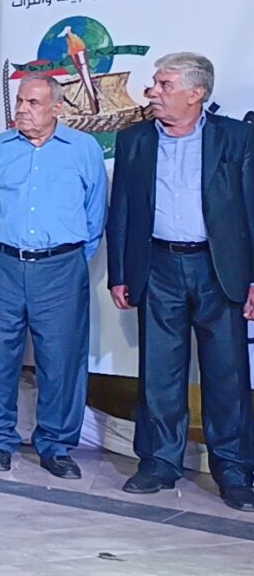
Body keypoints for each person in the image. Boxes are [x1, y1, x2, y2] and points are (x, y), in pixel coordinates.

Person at [108, 53, 254, 511]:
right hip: (157, 266)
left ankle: (234, 469)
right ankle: (159, 462)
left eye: (164, 84)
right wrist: (119, 273)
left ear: (196, 93)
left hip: (219, 269)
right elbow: (122, 209)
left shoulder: (237, 138)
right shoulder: (134, 140)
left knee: (228, 374)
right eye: (155, 83)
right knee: (159, 372)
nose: (153, 91)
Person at [0, 76, 107, 479]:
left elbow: (95, 214)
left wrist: (65, 258)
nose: (22, 109)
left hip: (60, 268)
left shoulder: (84, 150)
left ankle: (56, 446)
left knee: (61, 360)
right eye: (20, 100)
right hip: (3, 263)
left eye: (33, 102)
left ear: (57, 108)